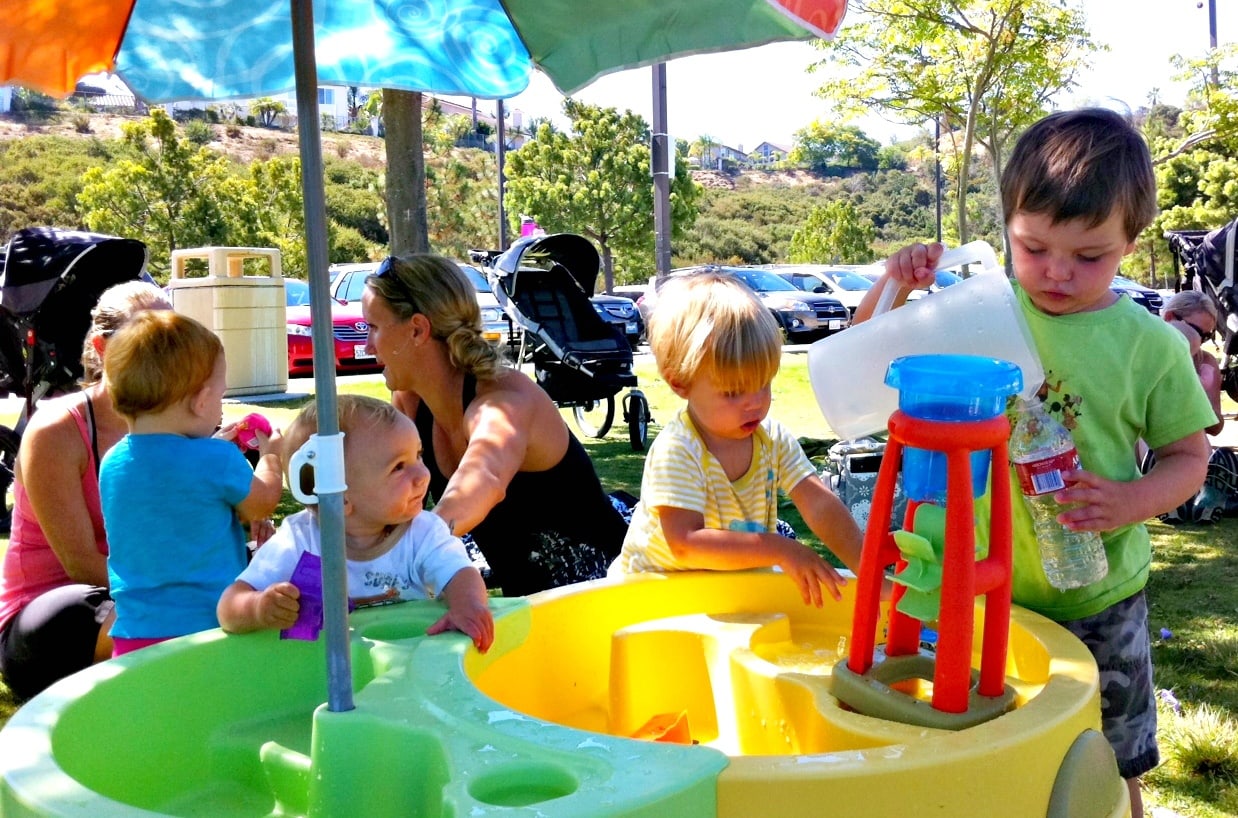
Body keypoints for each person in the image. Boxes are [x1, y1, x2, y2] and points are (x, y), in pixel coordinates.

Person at [855, 108, 1215, 818]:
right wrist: (896, 284)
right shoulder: (976, 309)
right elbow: (867, 356)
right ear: (1007, 226)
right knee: (973, 751)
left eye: (1089, 256)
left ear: (1130, 242)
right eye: (1033, 247)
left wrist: (1131, 500)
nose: (1056, 272)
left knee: (1107, 759)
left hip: (1096, 597)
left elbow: (1188, 458)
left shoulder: (1149, 344)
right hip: (973, 588)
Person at [361, 254, 627, 597]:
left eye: (373, 327)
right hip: (523, 608)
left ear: (417, 329)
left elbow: (481, 482)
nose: (367, 346)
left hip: (600, 597)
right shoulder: (409, 403)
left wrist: (405, 552)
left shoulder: (503, 403)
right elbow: (377, 497)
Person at [609, 271, 864, 608]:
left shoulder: (771, 439)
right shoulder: (679, 449)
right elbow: (685, 543)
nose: (755, 402)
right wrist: (780, 547)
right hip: (649, 603)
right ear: (679, 383)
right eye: (733, 392)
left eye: (764, 383)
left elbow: (818, 504)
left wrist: (869, 572)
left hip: (726, 597)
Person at [217, 395, 494, 652]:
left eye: (418, 456)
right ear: (340, 499)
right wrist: (258, 608)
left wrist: (467, 606)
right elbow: (229, 606)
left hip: (406, 661)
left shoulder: (421, 531)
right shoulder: (300, 539)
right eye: (398, 466)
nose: (422, 474)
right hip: (322, 669)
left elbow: (460, 573)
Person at [0, 281, 170, 699]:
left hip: (143, 593)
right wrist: (184, 584)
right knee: (123, 610)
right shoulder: (57, 429)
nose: (166, 356)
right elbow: (80, 564)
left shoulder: (179, 424)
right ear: (102, 346)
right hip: (53, 614)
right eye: (148, 341)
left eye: (173, 338)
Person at [100, 310, 284, 656]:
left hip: (133, 636)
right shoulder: (215, 460)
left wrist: (215, 452)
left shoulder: (113, 462)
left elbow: (179, 495)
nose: (219, 408)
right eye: (219, 396)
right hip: (207, 632)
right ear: (201, 401)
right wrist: (272, 455)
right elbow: (262, 502)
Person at [1161, 290, 1224, 436]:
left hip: (1189, 439)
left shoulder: (1205, 361)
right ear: (1169, 317)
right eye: (1196, 331)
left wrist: (1191, 390)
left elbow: (1216, 427)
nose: (1199, 340)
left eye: (1206, 336)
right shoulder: (1143, 352)